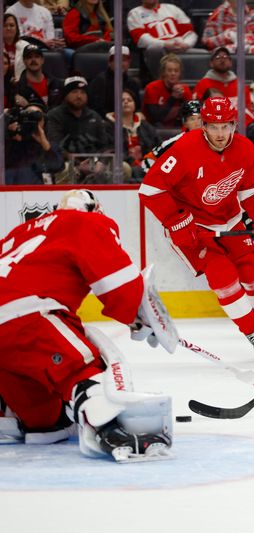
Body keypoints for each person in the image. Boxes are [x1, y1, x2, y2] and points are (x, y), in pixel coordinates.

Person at [0, 189, 173, 462]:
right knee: (80, 367)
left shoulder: (18, 233)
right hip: (27, 316)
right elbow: (121, 288)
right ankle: (106, 426)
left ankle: (9, 412)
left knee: (44, 418)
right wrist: (137, 317)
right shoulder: (85, 222)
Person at [139, 96, 254, 360]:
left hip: (230, 219)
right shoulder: (185, 148)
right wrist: (176, 219)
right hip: (193, 227)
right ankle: (253, 332)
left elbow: (252, 190)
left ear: (235, 124)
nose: (220, 133)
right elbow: (150, 190)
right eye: (214, 126)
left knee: (252, 269)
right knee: (222, 275)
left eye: (226, 126)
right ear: (203, 125)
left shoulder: (245, 148)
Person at [191, 46, 254, 149]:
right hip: (214, 127)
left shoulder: (240, 84)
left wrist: (235, 125)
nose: (222, 59)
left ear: (230, 62)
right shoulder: (203, 84)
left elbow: (248, 109)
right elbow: (198, 111)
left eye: (225, 56)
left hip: (240, 125)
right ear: (211, 63)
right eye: (218, 57)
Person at [45, 76, 112, 183]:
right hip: (67, 162)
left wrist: (101, 162)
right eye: (74, 92)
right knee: (65, 169)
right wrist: (77, 164)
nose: (79, 96)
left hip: (93, 163)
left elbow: (105, 145)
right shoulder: (54, 116)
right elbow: (55, 146)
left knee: (123, 167)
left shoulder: (95, 116)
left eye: (82, 92)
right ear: (65, 95)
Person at [127, 0, 199, 81]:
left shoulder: (172, 8)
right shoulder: (134, 13)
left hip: (180, 47)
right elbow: (141, 39)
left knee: (204, 54)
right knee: (154, 49)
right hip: (160, 49)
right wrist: (165, 44)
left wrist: (186, 44)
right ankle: (162, 82)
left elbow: (190, 33)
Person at [104, 88, 160, 183]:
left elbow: (158, 145)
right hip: (124, 165)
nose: (126, 102)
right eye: (122, 100)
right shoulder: (108, 126)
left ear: (134, 104)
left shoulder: (144, 125)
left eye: (129, 100)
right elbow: (109, 149)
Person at [4, 101, 64, 184]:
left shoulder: (50, 146)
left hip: (37, 192)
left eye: (37, 118)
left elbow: (57, 166)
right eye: (28, 117)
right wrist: (7, 132)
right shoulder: (10, 141)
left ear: (44, 122)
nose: (32, 123)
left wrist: (45, 144)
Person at [141, 99, 202, 172]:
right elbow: (148, 160)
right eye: (192, 119)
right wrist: (159, 179)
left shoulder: (216, 140)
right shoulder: (174, 143)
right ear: (185, 123)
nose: (198, 123)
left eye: (200, 118)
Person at [87, 45, 142, 116]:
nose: (121, 64)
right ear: (109, 63)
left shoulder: (133, 83)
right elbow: (96, 108)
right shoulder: (100, 81)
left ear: (129, 63)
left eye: (124, 60)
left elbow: (137, 107)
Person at [142, 53, 193, 128]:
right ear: (163, 72)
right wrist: (173, 98)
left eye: (176, 71)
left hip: (177, 127)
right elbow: (156, 118)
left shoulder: (184, 90)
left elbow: (191, 116)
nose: (173, 73)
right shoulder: (152, 88)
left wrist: (183, 100)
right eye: (169, 70)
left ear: (180, 73)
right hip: (154, 128)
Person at [14, 44, 63, 108]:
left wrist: (28, 105)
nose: (33, 60)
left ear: (42, 60)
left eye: (37, 56)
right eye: (29, 57)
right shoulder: (18, 88)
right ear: (24, 61)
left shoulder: (56, 83)